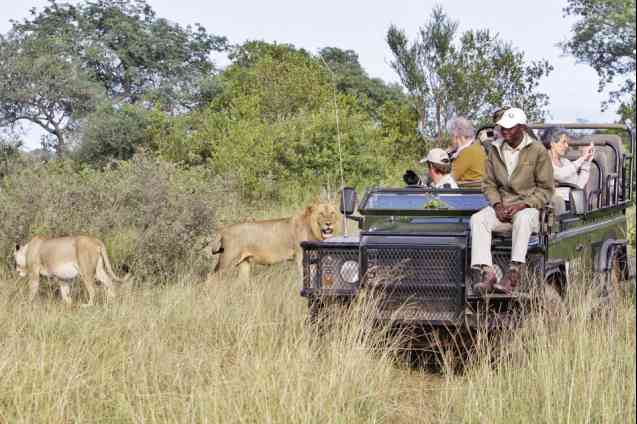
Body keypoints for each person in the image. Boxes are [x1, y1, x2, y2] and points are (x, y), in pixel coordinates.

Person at [471, 107, 554, 295]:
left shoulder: (538, 151)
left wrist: (523, 205)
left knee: (523, 219)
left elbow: (546, 189)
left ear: (522, 128)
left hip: (527, 207)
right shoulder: (495, 149)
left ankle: (513, 273)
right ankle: (488, 273)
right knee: (478, 219)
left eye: (510, 127)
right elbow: (489, 184)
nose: (505, 130)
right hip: (504, 207)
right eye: (502, 127)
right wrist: (497, 205)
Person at [541, 127, 593, 207]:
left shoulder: (566, 162)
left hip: (570, 204)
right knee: (558, 201)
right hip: (549, 205)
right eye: (563, 142)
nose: (567, 146)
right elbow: (559, 174)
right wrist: (582, 158)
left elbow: (578, 186)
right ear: (552, 143)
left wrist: (586, 162)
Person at [447, 117, 486, 185]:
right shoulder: (477, 147)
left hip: (467, 192)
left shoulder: (466, 152)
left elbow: (448, 180)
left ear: (455, 135)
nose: (450, 140)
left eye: (451, 136)